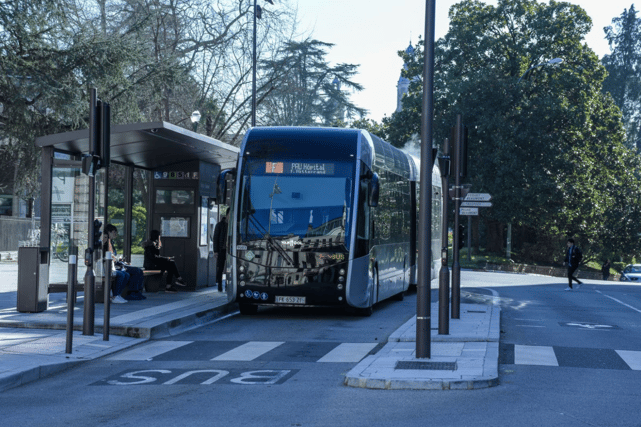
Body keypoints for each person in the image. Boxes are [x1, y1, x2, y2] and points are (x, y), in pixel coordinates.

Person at [103, 224, 145, 303]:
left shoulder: (111, 242)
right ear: (109, 232)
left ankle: (135, 292)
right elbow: (106, 257)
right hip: (111, 266)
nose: (116, 234)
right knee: (130, 272)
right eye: (114, 232)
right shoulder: (105, 244)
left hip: (115, 265)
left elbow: (112, 256)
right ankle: (126, 293)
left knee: (138, 271)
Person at [213, 215, 228, 292]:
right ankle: (219, 284)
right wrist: (215, 251)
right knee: (220, 268)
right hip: (221, 249)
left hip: (230, 251)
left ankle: (227, 285)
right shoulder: (219, 225)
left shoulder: (234, 224)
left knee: (229, 268)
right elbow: (215, 238)